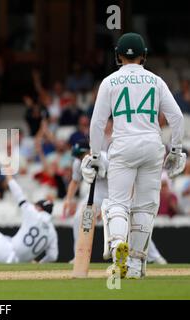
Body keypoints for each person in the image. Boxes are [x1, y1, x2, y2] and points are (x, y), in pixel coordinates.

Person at [84, 33, 185, 279]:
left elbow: (97, 123)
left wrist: (95, 154)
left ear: (118, 56)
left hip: (124, 145)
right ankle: (137, 266)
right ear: (144, 55)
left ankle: (118, 241)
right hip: (152, 146)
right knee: (145, 206)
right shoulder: (156, 81)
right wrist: (176, 150)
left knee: (118, 202)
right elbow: (177, 118)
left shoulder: (109, 82)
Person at [64, 140, 167, 265]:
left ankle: (154, 257)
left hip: (116, 193)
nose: (80, 159)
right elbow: (75, 181)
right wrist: (68, 200)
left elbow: (127, 181)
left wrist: (112, 207)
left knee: (132, 224)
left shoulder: (106, 159)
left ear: (90, 150)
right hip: (96, 195)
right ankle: (79, 256)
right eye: (78, 157)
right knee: (78, 218)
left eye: (82, 155)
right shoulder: (78, 163)